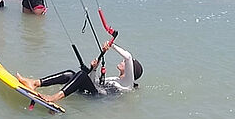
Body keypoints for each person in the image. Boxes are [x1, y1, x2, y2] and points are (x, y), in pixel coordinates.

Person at [15, 41, 143, 104]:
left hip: (97, 98)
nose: (123, 62)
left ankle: (54, 98)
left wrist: (112, 45)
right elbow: (93, 83)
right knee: (71, 74)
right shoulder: (114, 79)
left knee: (81, 74)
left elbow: (128, 57)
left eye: (124, 64)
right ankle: (35, 83)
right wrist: (94, 69)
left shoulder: (127, 84)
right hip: (93, 92)